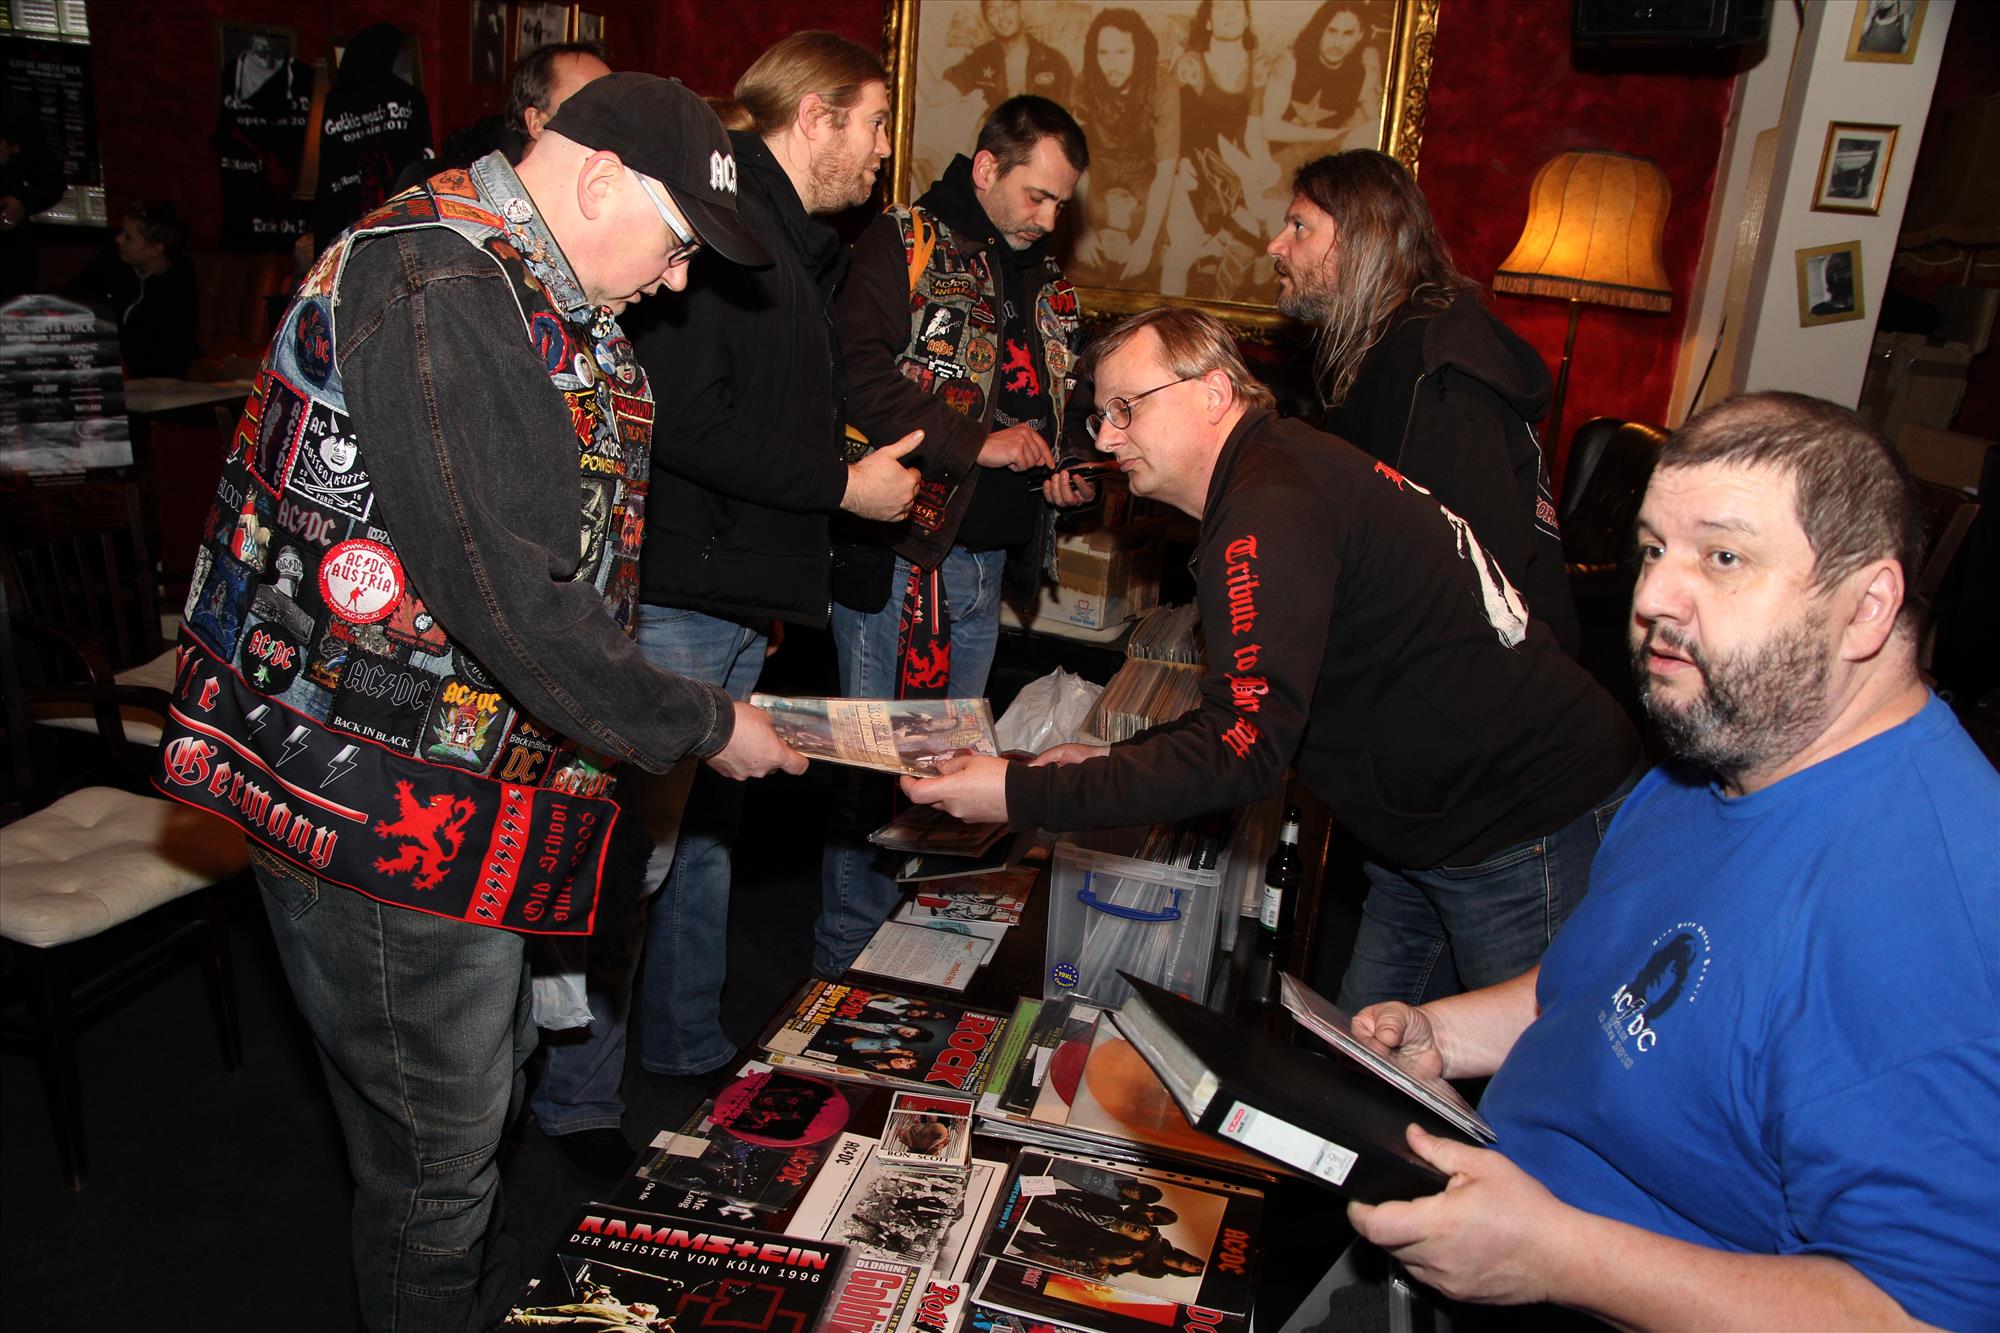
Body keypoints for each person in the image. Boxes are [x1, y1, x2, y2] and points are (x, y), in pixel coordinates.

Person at [150, 73, 806, 1328]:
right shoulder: (439, 282)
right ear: (600, 180)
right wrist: (704, 724)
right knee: (437, 1154)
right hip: (372, 796)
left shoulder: (512, 271)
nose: (678, 282)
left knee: (476, 1102)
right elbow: (504, 593)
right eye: (678, 246)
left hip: (453, 782)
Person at [1342, 391, 1999, 1331]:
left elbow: (1915, 1316)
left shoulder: (1930, 913)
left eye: (1723, 557)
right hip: (1488, 1225)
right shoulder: (1717, 755)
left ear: (1865, 608)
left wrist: (1557, 1256)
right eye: (1654, 549)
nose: (1652, 597)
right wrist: (1443, 1036)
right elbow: (1607, 991)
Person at [904, 308, 1641, 1009]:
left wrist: (1022, 795)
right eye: (1101, 415)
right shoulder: (1275, 466)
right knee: (1370, 1063)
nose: (1107, 438)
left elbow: (1243, 751)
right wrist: (1108, 758)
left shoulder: (1269, 506)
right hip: (1429, 829)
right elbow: (1253, 709)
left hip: (1524, 822)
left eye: (1127, 408)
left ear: (1214, 392)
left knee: (1533, 1083)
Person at [529, 33, 922, 1172]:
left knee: (698, 839)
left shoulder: (787, 240)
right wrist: (843, 485)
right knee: (633, 856)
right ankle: (575, 1101)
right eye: (875, 121)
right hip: (684, 590)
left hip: (731, 588)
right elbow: (685, 419)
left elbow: (757, 406)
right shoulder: (717, 222)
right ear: (816, 116)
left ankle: (684, 1041)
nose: (884, 150)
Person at [822, 94, 1096, 977]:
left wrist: (1067, 474)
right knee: (878, 776)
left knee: (950, 780)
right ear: (985, 168)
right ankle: (843, 968)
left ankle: (905, 967)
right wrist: (977, 442)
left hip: (986, 565)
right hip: (904, 558)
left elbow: (1061, 409)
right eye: (1036, 195)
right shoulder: (904, 240)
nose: (1048, 217)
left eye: (1060, 204)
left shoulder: (1048, 282)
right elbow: (856, 373)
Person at [1267, 150, 1581, 656]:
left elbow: (1472, 578)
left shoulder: (1437, 372)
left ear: (1362, 240)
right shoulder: (1386, 346)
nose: (1276, 245)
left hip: (1487, 676)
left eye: (1299, 227)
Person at [1067, 8, 1179, 288]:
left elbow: (1166, 170)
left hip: (1145, 168)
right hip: (1097, 165)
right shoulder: (1084, 83)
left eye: (1121, 52)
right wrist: (1082, 230)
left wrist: (1146, 242)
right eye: (1103, 53)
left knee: (1143, 257)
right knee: (1080, 254)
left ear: (1139, 52)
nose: (1111, 64)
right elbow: (1076, 161)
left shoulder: (1163, 86)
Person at [63, 200, 202, 379]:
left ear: (155, 248)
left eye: (128, 237)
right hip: (106, 366)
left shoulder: (178, 285)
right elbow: (71, 295)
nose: (118, 239)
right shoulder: (111, 261)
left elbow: (166, 350)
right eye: (121, 232)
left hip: (157, 377)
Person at [943, 0, 1072, 115]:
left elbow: (1070, 116)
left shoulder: (1054, 61)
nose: (1002, 16)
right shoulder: (980, 58)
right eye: (993, 11)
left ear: (1021, 12)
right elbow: (938, 95)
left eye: (1008, 6)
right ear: (988, 25)